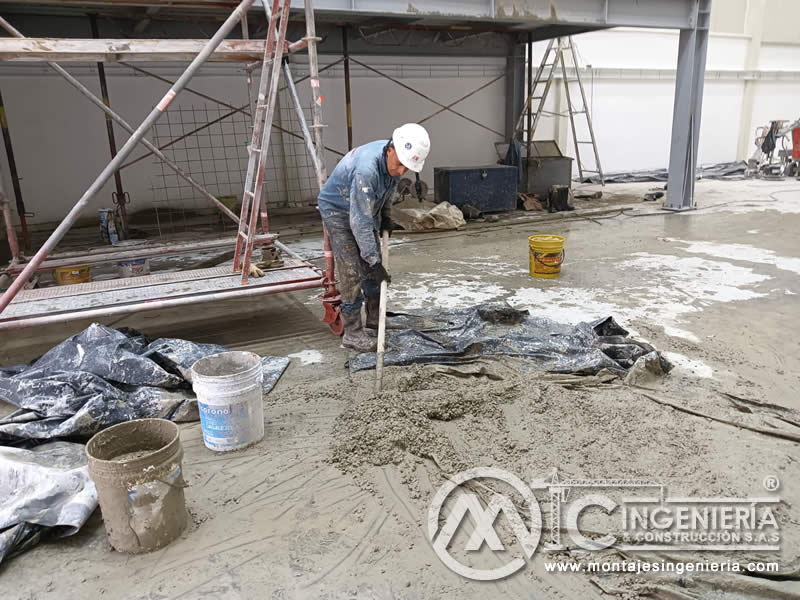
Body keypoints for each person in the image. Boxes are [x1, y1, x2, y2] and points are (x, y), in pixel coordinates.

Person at [317, 123, 431, 352]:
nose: (401, 172)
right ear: (391, 149)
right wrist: (373, 261)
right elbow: (359, 222)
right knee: (352, 269)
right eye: (399, 165)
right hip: (337, 210)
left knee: (372, 264)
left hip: (361, 209)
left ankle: (374, 318)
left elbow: (388, 190)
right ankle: (352, 332)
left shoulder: (393, 161)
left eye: (406, 168)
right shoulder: (366, 170)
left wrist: (387, 216)